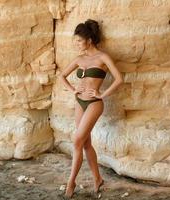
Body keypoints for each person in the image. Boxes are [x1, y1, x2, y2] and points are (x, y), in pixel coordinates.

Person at [59, 19, 123, 198]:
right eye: (75, 41)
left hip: (94, 104)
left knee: (77, 141)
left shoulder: (102, 57)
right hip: (79, 102)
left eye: (79, 41)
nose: (76, 44)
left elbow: (119, 79)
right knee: (85, 143)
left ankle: (71, 182)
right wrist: (73, 90)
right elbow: (62, 76)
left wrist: (102, 94)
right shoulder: (79, 59)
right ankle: (98, 179)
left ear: (89, 40)